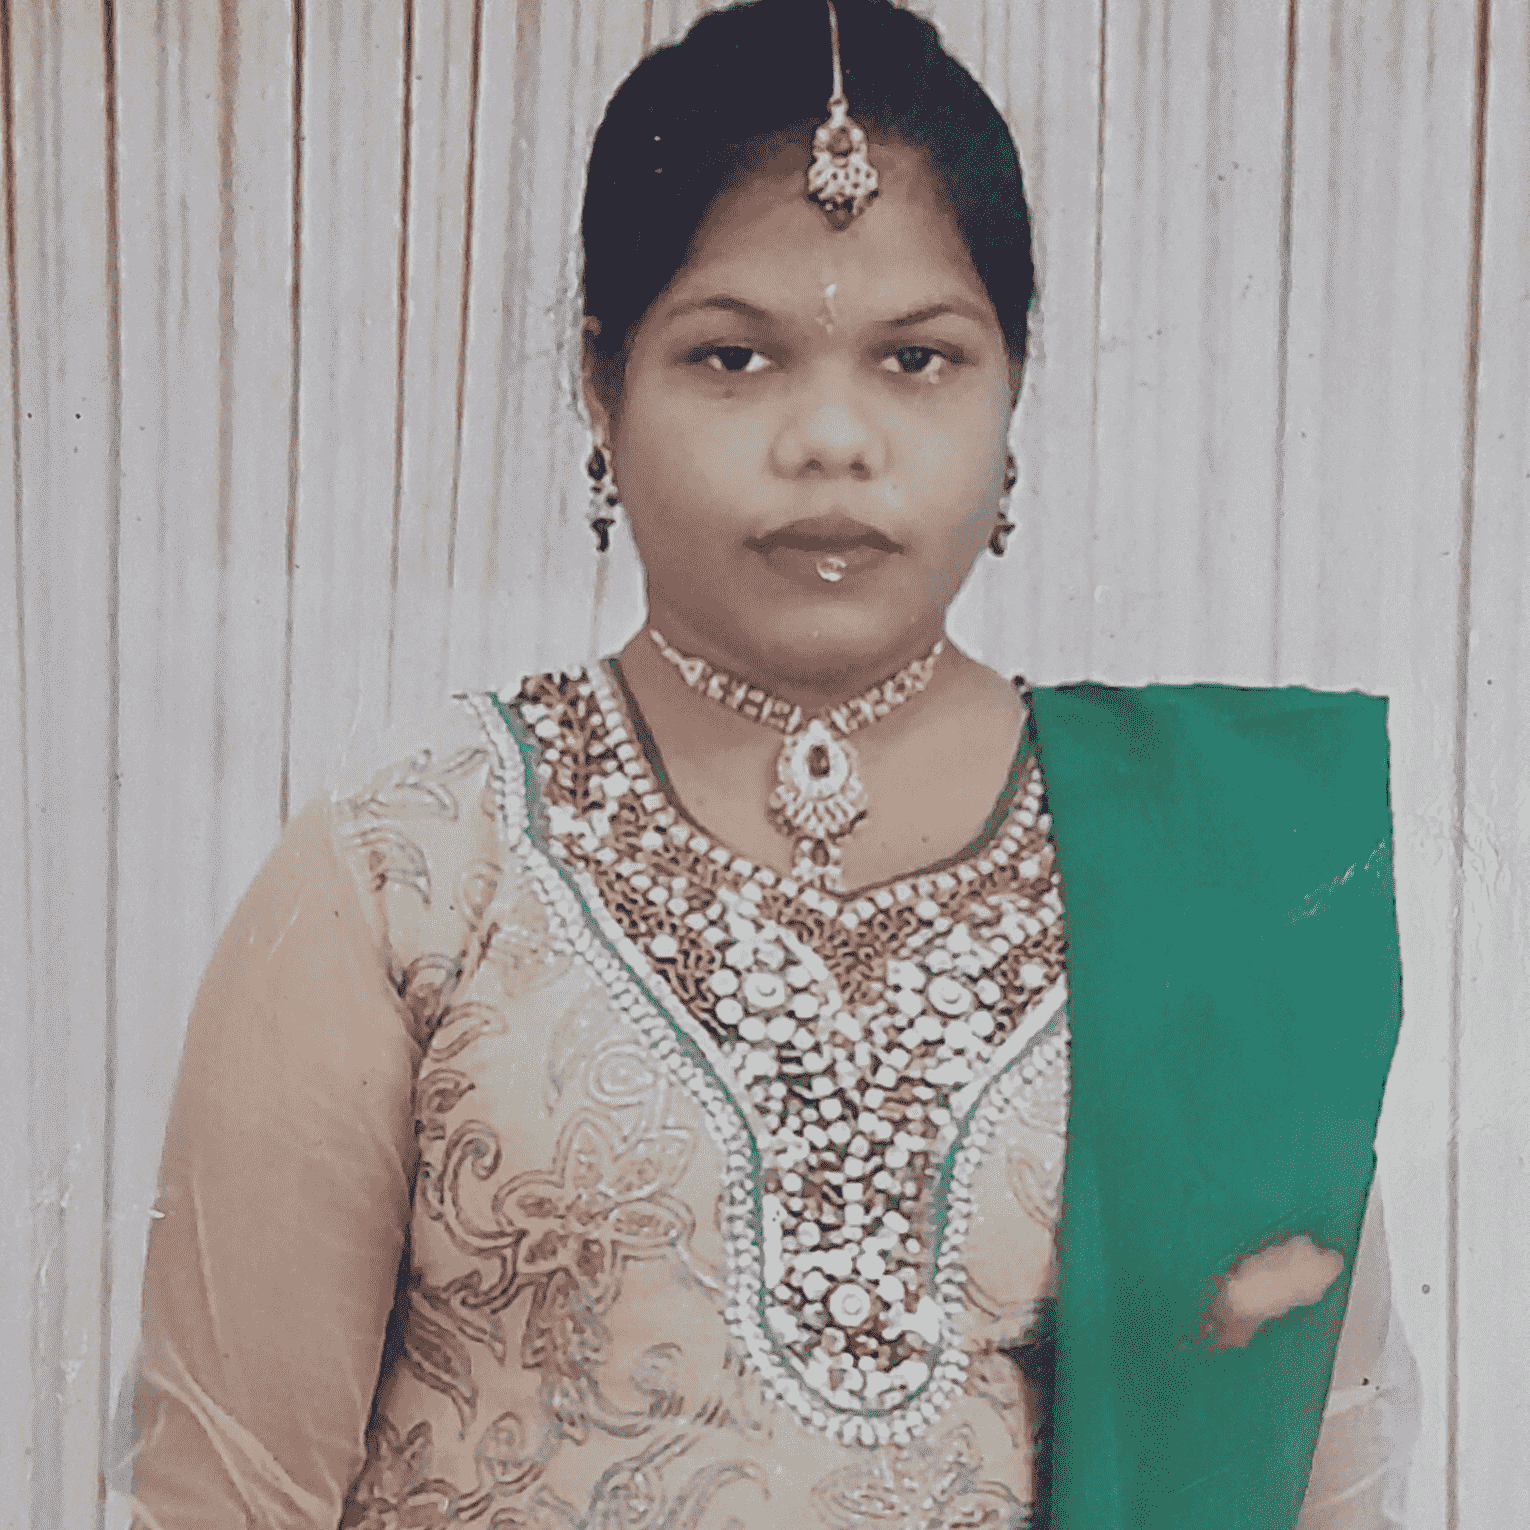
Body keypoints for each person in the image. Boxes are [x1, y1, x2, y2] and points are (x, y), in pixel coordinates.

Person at [125, 2, 1418, 1526]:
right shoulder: (406, 875)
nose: (830, 436)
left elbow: (1319, 1480)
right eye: (732, 355)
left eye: (917, 358)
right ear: (601, 384)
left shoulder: (1206, 876)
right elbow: (222, 1494)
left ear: (1009, 391)